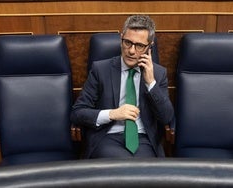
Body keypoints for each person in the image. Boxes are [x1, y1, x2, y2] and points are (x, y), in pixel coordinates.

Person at [71, 15, 174, 158]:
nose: (131, 51)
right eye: (127, 42)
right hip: (107, 137)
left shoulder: (158, 73)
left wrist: (151, 83)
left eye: (139, 46)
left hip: (144, 140)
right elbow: (77, 113)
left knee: (145, 174)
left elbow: (166, 118)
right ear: (121, 39)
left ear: (149, 47)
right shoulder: (101, 70)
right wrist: (112, 114)